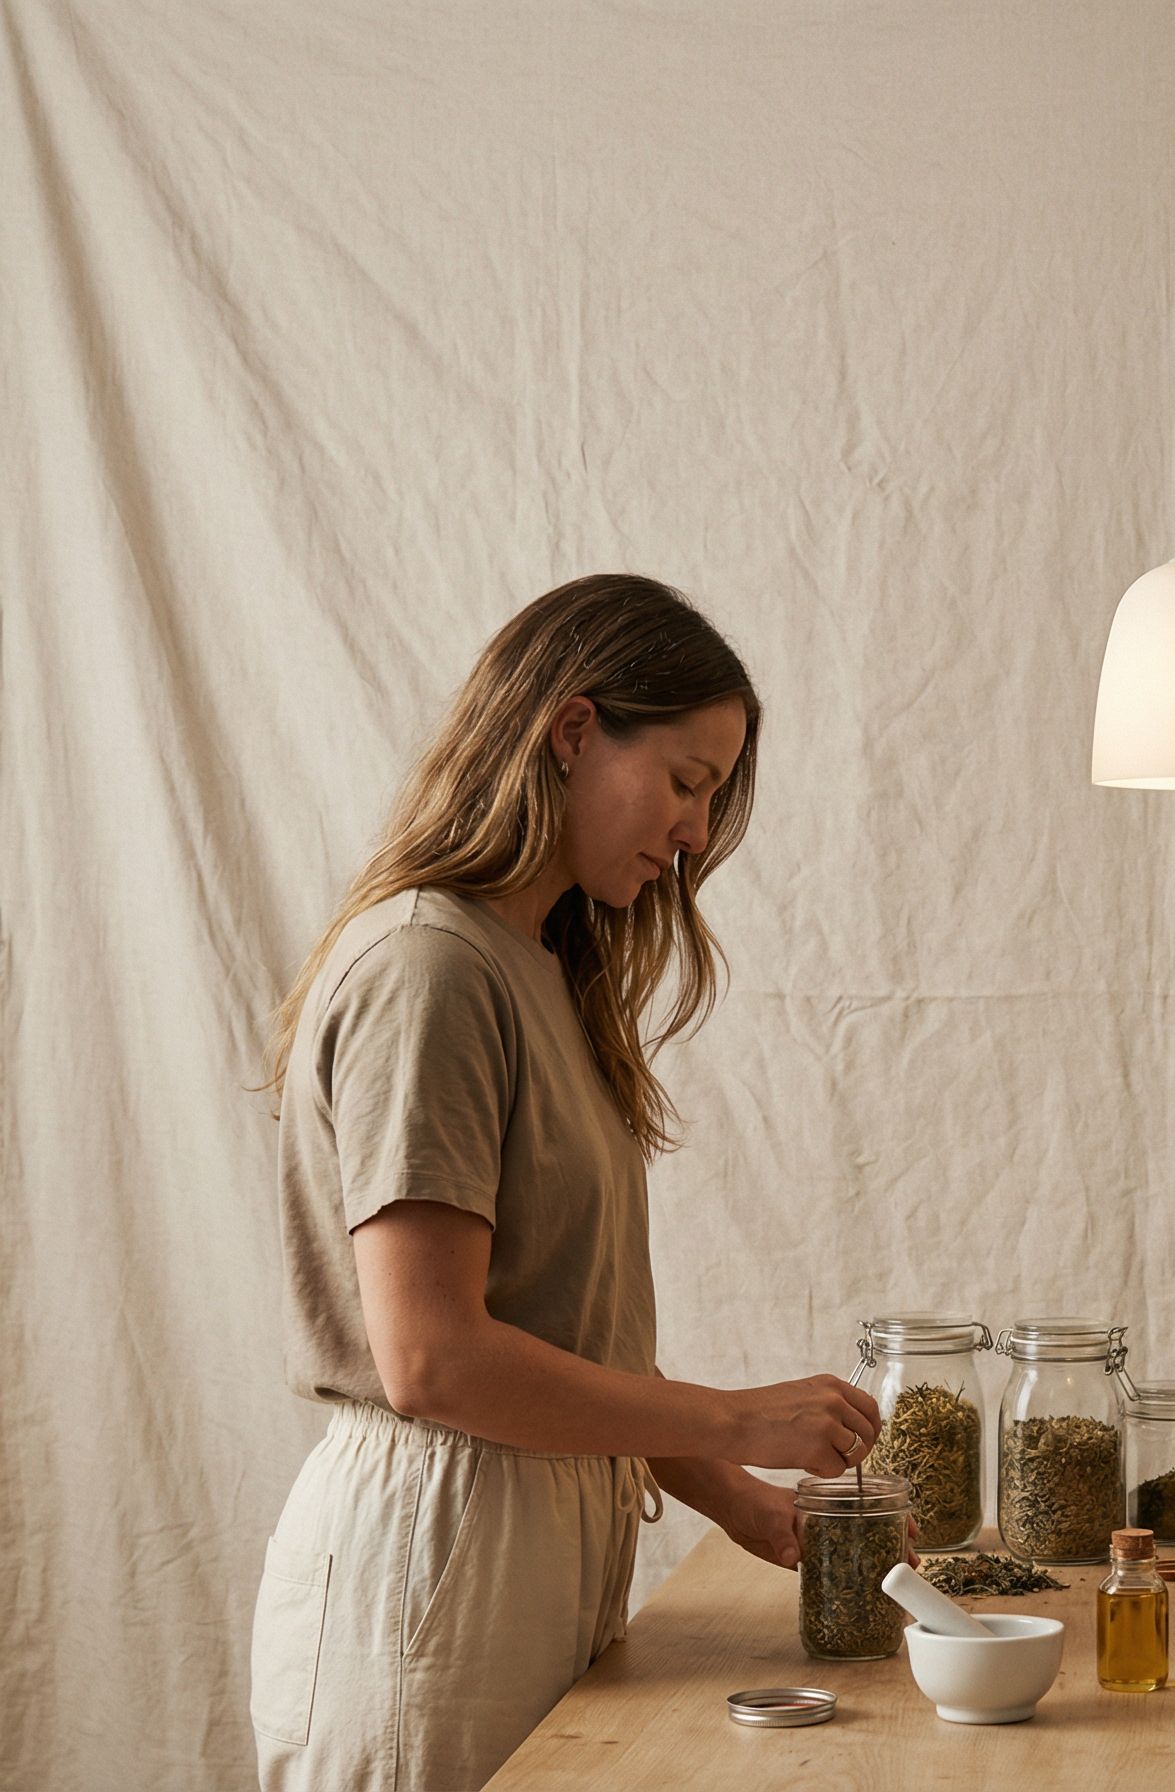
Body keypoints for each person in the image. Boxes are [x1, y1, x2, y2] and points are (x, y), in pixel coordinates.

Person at [250, 575, 885, 1790]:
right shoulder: (431, 966)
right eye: (688, 781)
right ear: (573, 728)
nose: (699, 831)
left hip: (518, 1548)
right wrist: (736, 1415)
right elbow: (434, 1361)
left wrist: (735, 1495)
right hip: (430, 1568)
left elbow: (560, 1329)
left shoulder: (538, 970)